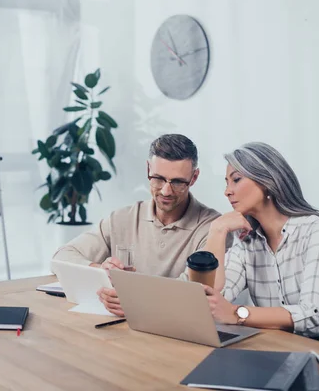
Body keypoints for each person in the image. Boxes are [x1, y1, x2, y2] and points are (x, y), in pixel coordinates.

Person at [53, 134, 229, 316]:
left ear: (194, 178)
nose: (166, 191)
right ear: (148, 170)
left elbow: (196, 291)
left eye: (177, 182)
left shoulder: (213, 228)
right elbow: (61, 257)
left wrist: (136, 301)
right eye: (158, 178)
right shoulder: (122, 218)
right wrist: (100, 271)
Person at [201, 142, 319, 349]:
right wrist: (217, 231)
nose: (227, 191)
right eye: (226, 183)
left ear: (267, 181)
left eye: (236, 180)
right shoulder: (247, 243)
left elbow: (312, 313)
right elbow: (213, 298)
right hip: (280, 342)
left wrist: (237, 313)